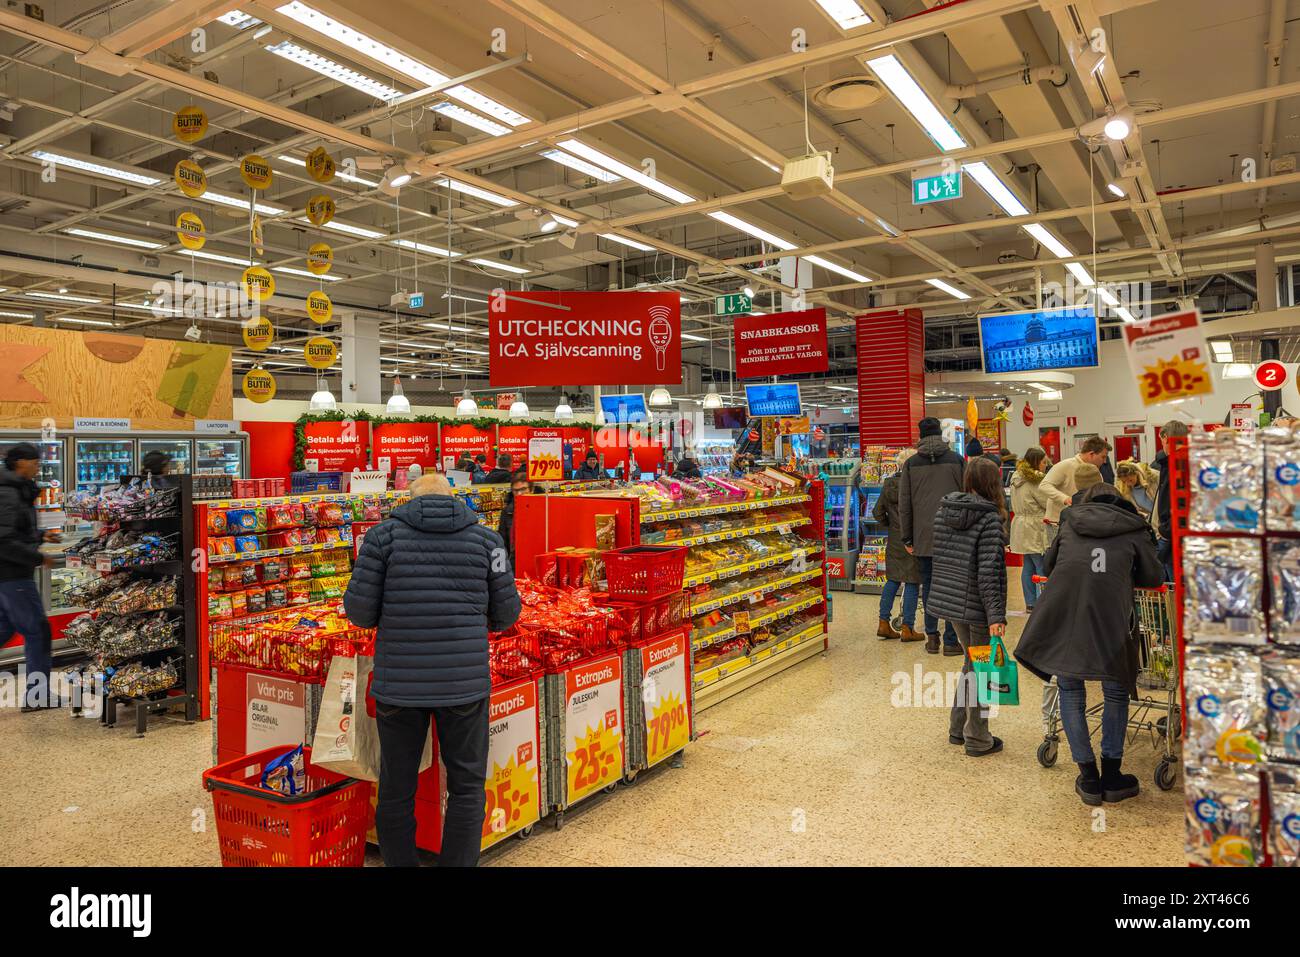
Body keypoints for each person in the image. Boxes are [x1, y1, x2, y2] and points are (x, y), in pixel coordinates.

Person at [343, 472, 521, 867]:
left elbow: (358, 613)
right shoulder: (488, 541)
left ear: (410, 498)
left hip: (399, 687)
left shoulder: (381, 539)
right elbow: (507, 613)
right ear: (452, 498)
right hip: (464, 684)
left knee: (396, 788)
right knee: (467, 787)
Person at [1014, 482, 1164, 805]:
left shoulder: (1070, 523)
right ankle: (1112, 775)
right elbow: (1154, 577)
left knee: (1070, 690)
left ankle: (1088, 777)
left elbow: (1051, 565)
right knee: (1115, 690)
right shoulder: (1133, 528)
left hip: (1066, 618)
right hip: (1111, 620)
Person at [927, 457, 1009, 757]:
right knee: (983, 670)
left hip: (951, 603)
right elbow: (988, 571)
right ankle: (977, 738)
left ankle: (957, 727)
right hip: (977, 607)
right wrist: (996, 615)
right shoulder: (989, 519)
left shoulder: (944, 511)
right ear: (993, 484)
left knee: (971, 664)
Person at [0, 443, 61, 711]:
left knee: (5, 629)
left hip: (8, 576)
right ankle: (38, 696)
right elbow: (4, 541)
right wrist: (39, 558)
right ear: (20, 463)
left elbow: (15, 531)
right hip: (13, 577)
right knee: (38, 631)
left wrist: (40, 536)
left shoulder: (14, 489)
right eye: (34, 462)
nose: (38, 466)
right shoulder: (9, 493)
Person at [898, 417, 965, 657]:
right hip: (954, 536)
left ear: (920, 436)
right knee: (953, 588)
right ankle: (950, 639)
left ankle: (932, 638)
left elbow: (904, 504)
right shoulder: (957, 460)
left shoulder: (911, 464)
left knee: (928, 587)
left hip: (923, 537)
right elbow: (967, 497)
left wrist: (908, 538)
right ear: (940, 434)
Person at [872, 449, 922, 641]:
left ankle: (883, 623)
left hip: (894, 538)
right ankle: (908, 628)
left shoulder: (888, 484)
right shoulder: (916, 485)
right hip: (913, 537)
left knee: (892, 579)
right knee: (911, 580)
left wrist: (891, 525)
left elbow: (877, 512)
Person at [1009, 447, 1051, 613]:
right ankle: (1042, 603)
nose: (1045, 466)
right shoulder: (1036, 480)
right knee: (1041, 565)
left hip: (1020, 524)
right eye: (1043, 462)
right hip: (1035, 525)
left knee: (1027, 566)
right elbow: (1046, 502)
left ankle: (1031, 603)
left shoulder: (1016, 477)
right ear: (1036, 462)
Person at [1040, 435, 1111, 524]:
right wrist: (1065, 499)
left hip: (1081, 522)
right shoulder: (1065, 465)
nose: (1105, 461)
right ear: (1091, 454)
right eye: (1103, 457)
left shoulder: (1096, 472)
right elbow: (1044, 486)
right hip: (1057, 522)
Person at [1151, 419, 1188, 581]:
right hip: (1176, 534)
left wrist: (1165, 531)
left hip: (1172, 535)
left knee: (1175, 586)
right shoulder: (1177, 461)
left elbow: (1179, 502)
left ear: (1165, 438)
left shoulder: (1177, 463)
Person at [496, 470, 530, 568]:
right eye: (516, 490)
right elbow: (501, 543)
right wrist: (500, 569)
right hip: (514, 564)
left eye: (523, 489)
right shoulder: (507, 512)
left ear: (531, 489)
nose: (519, 493)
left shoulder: (543, 510)